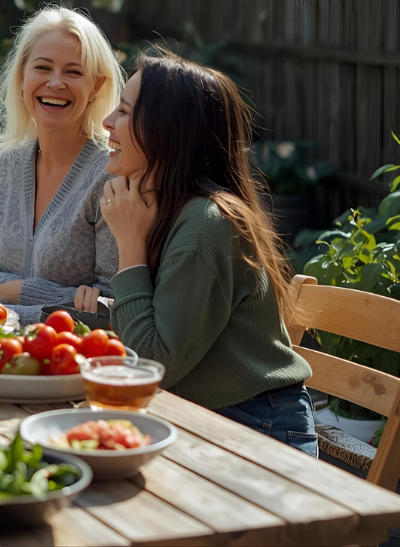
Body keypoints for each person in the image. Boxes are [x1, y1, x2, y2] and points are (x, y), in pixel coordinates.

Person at [100, 48, 315, 455]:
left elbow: (154, 366)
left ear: (169, 130)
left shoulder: (206, 223)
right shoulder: (166, 208)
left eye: (125, 112)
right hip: (204, 414)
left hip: (258, 428)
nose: (108, 122)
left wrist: (130, 246)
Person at [0, 5, 123, 324]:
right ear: (22, 77)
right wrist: (23, 290)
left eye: (73, 72)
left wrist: (16, 294)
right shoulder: (11, 161)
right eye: (43, 67)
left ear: (95, 87)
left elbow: (111, 306)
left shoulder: (110, 175)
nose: (55, 82)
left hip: (66, 360)